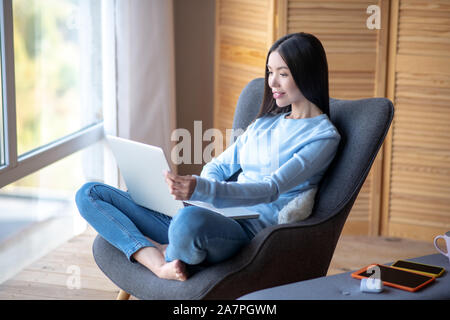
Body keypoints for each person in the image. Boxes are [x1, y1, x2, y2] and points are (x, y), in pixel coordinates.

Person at [75, 32, 341, 282]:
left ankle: (160, 249)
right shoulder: (265, 123)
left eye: (283, 74)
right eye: (270, 72)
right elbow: (217, 166)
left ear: (307, 74)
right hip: (206, 211)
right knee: (90, 193)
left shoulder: (322, 137)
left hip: (243, 229)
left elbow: (271, 189)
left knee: (186, 222)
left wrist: (203, 188)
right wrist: (201, 195)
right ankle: (158, 261)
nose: (271, 82)